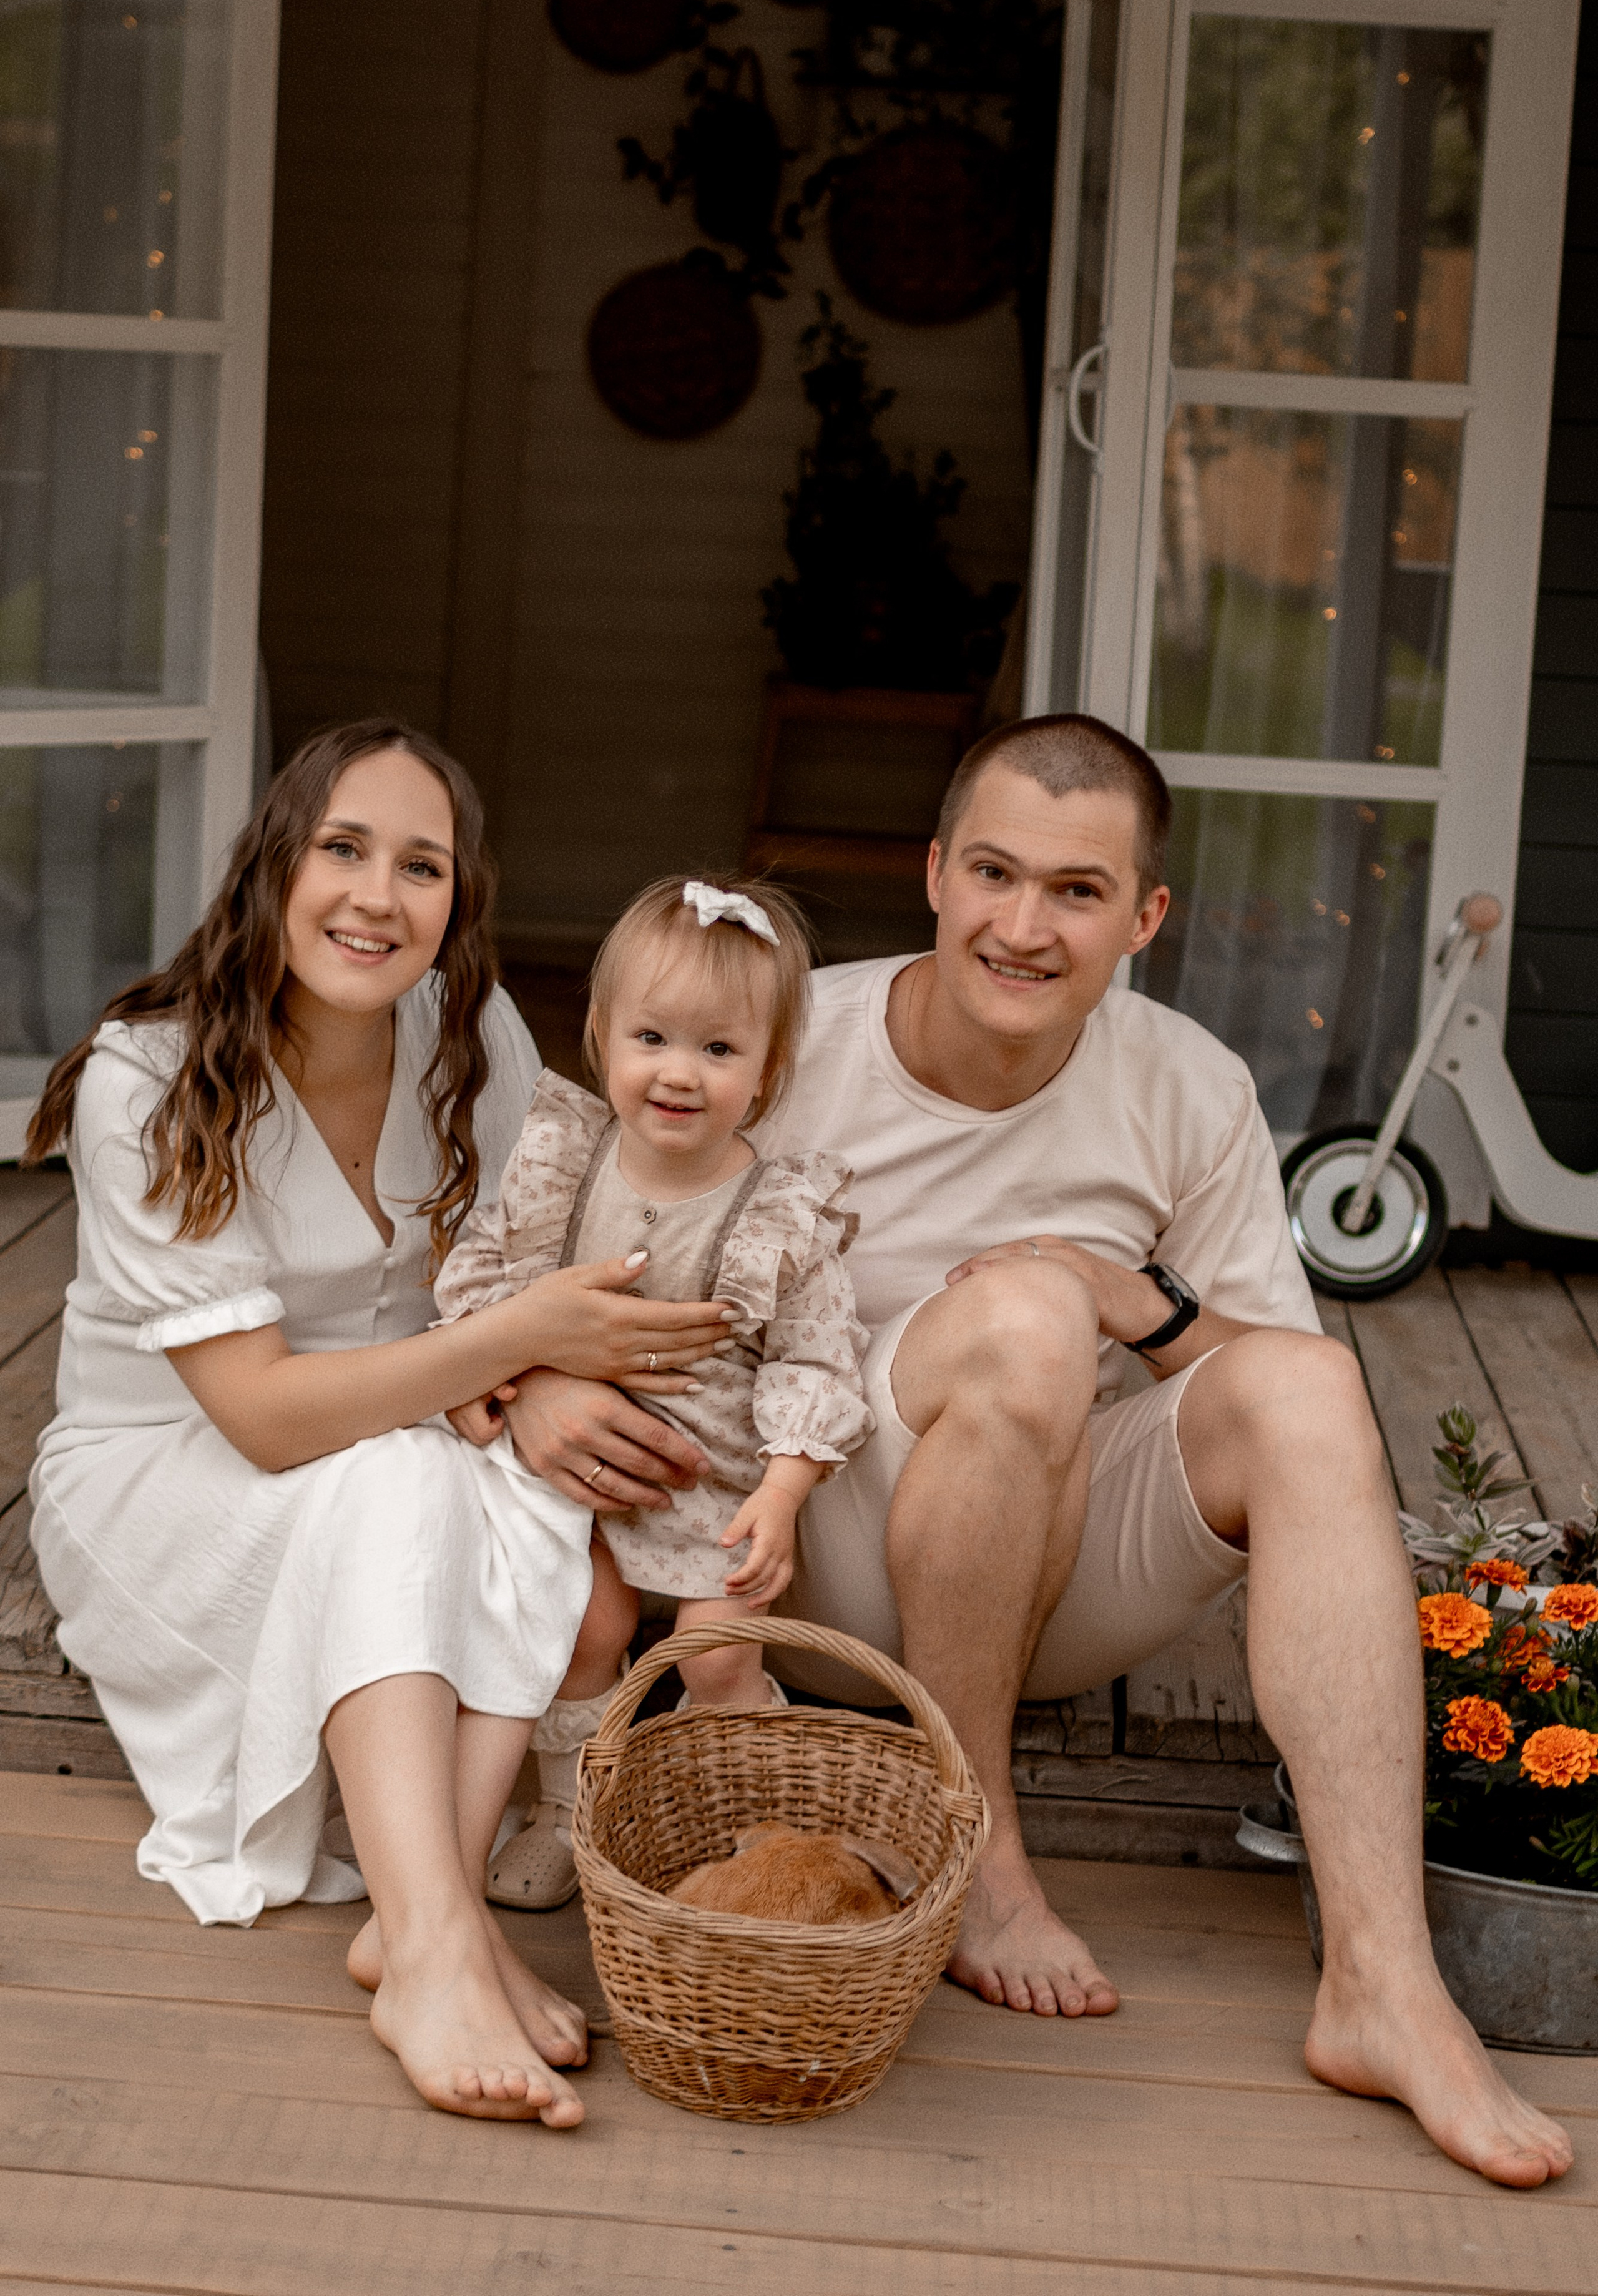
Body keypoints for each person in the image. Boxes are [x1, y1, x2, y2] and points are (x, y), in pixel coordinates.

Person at [491, 714, 1573, 2189]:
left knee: (1312, 1387)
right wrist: (534, 1382)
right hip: (787, 1559)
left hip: (1043, 1567)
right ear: (933, 875)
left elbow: (1246, 1373)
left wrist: (1148, 1302)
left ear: (1144, 915)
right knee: (1023, 1317)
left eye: (1074, 891)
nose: (1021, 925)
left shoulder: (1184, 1084)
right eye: (991, 873)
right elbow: (565, 1228)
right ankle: (984, 1862)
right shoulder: (781, 1038)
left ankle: (1382, 1983)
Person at [23, 719, 737, 2129]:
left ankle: (424, 1924)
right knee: (392, 1490)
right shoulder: (147, 1079)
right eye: (343, 848)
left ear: (457, 907)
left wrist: (532, 1373)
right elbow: (266, 1419)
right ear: (273, 863)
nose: (376, 895)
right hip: (169, 1478)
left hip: (402, 1421)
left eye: (423, 867)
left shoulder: (466, 1035)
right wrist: (517, 1349)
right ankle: (435, 1944)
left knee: (531, 1504)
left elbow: (526, 1267)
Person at [438, 874, 871, 1908]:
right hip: (575, 1467)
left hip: (715, 1479)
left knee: (714, 1654)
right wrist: (496, 1377)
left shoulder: (781, 1210)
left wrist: (782, 1494)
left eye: (719, 1050)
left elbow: (814, 1359)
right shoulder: (561, 1166)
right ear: (600, 1035)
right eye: (653, 1038)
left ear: (766, 1070)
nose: (680, 1074)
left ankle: (727, 1817)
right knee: (585, 1628)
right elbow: (482, 1278)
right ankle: (569, 1807)